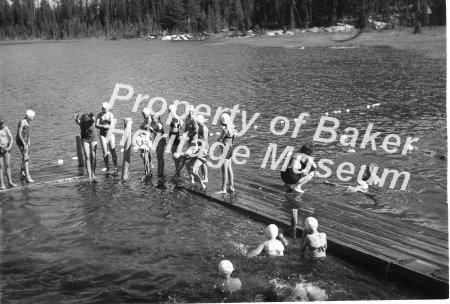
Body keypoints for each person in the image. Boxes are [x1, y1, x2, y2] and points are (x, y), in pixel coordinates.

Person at [95, 102, 118, 174]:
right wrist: (104, 126)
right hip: (102, 134)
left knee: (112, 150)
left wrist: (105, 126)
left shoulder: (110, 115)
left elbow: (112, 126)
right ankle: (107, 166)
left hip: (110, 134)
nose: (103, 110)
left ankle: (115, 166)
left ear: (107, 108)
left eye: (104, 109)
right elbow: (96, 125)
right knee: (105, 151)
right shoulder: (99, 115)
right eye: (102, 108)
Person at [217, 113, 236, 194]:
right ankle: (231, 186)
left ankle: (223, 189)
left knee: (224, 170)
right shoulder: (232, 129)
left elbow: (220, 139)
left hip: (225, 149)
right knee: (229, 168)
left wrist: (218, 139)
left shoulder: (225, 130)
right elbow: (232, 140)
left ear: (222, 121)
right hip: (230, 148)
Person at [75, 112, 97, 181]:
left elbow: (94, 119)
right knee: (87, 157)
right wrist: (76, 117)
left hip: (93, 138)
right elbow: (77, 121)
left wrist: (92, 116)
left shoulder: (91, 121)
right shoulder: (81, 122)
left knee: (93, 156)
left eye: (87, 122)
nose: (86, 124)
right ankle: (89, 175)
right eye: (85, 122)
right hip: (85, 139)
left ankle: (93, 173)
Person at [16, 110, 35, 183]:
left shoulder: (27, 122)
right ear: (29, 116)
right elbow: (19, 134)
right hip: (21, 142)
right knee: (26, 158)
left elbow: (27, 132)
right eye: (32, 117)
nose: (33, 119)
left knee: (25, 156)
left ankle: (22, 173)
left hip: (26, 141)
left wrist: (29, 140)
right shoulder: (22, 122)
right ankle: (28, 176)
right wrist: (24, 143)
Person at [168, 105, 184, 179]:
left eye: (169, 110)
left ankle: (178, 173)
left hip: (175, 139)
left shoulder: (174, 118)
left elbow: (175, 128)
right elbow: (181, 123)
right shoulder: (176, 117)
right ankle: (177, 172)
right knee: (175, 155)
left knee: (175, 156)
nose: (168, 112)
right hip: (176, 138)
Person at [0, 118, 17, 189]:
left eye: (4, 125)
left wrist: (9, 146)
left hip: (7, 148)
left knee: (7, 165)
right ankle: (2, 184)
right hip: (1, 149)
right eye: (2, 125)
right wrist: (4, 148)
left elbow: (11, 138)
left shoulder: (6, 128)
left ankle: (10, 182)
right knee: (0, 166)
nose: (3, 126)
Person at [139, 107, 155, 180]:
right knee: (145, 157)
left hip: (146, 140)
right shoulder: (147, 119)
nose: (142, 115)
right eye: (142, 114)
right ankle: (148, 172)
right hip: (145, 139)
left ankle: (147, 173)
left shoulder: (149, 119)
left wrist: (142, 126)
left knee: (145, 157)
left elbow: (145, 127)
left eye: (144, 114)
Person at [196, 114, 209, 183]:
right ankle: (203, 177)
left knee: (203, 162)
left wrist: (203, 149)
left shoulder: (203, 127)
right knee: (201, 162)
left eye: (197, 121)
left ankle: (206, 178)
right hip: (202, 146)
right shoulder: (200, 126)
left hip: (204, 147)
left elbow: (204, 139)